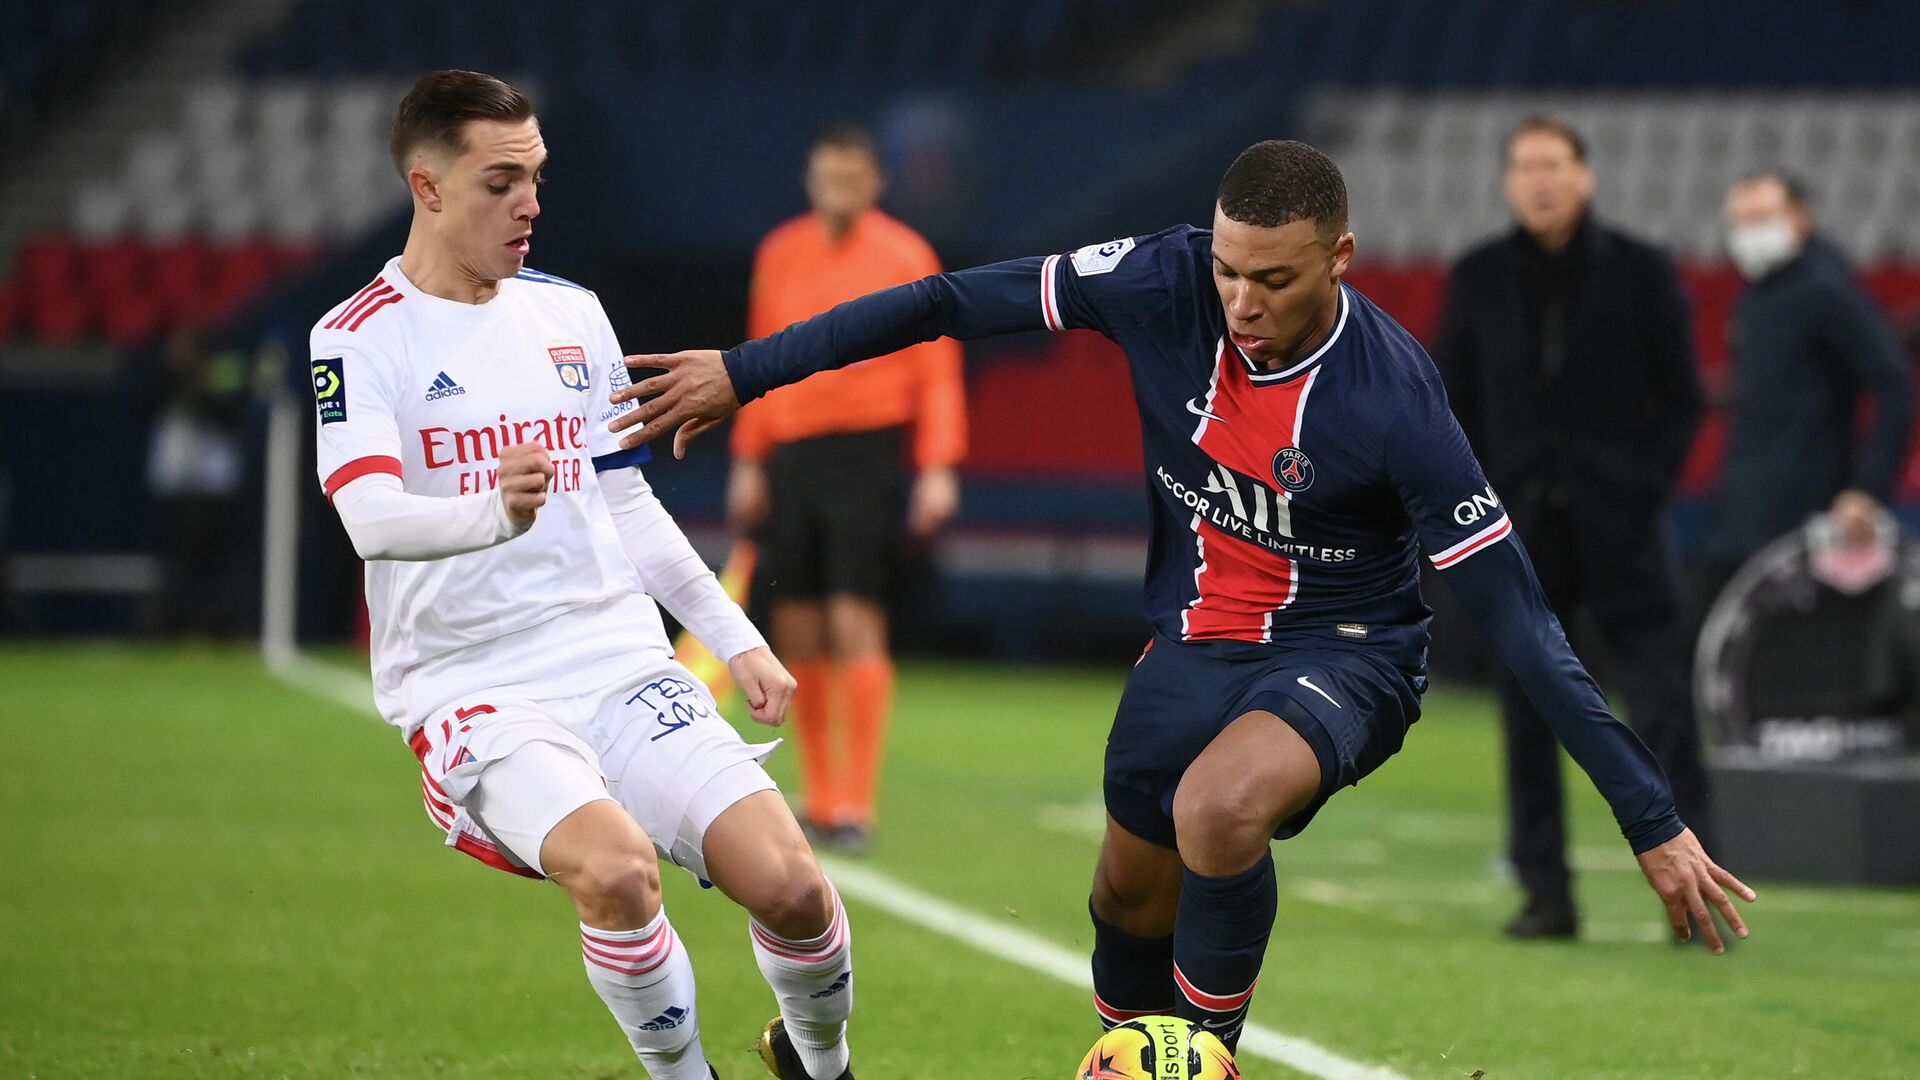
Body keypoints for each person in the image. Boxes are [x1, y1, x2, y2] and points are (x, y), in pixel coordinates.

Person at [607, 140, 1756, 1052]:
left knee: (1219, 811)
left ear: (1342, 255)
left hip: (1348, 647)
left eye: (1275, 278)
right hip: (1193, 639)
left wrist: (1649, 821)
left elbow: (1521, 620)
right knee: (1125, 894)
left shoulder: (1396, 398)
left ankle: (1204, 1055)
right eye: (1227, 268)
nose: (1242, 300)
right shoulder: (1160, 278)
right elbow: (951, 301)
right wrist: (745, 371)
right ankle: (1137, 1050)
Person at [310, 70, 855, 1080]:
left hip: (613, 657)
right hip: (472, 685)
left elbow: (626, 508)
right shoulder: (356, 337)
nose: (531, 204)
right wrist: (492, 511)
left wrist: (737, 639)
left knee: (793, 888)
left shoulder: (571, 316)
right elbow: (367, 519)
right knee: (616, 870)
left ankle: (821, 1065)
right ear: (427, 189)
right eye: (501, 182)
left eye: (539, 178)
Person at [1433, 116, 1712, 941]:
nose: (1540, 180)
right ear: (1507, 182)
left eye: (1554, 164)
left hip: (1623, 527)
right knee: (1529, 717)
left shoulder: (1641, 270)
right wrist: (1479, 496)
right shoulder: (1477, 276)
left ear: (1584, 175)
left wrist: (1640, 485)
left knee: (1662, 706)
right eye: (1524, 166)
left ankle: (1692, 896)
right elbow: (1448, 400)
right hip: (1517, 531)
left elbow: (1686, 398)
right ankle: (1545, 894)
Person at [727, 123, 966, 850]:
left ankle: (855, 803)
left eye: (850, 178)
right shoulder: (779, 251)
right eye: (826, 177)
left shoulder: (906, 255)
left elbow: (936, 368)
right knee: (794, 619)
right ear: (811, 180)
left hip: (867, 452)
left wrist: (938, 466)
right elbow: (759, 356)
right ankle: (822, 796)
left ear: (873, 183)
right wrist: (748, 456)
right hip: (793, 452)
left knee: (853, 614)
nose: (837, 190)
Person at [1705, 172, 1914, 595]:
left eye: (1762, 217)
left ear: (1800, 217)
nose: (1749, 233)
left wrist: (1866, 489)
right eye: (1740, 222)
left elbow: (1892, 382)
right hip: (1747, 514)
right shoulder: (1757, 295)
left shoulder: (1825, 290)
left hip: (1804, 522)